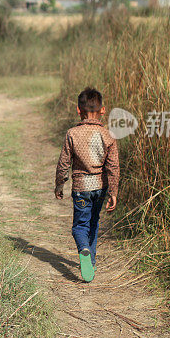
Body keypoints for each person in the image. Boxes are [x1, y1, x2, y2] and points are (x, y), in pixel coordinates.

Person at [54, 87, 119, 282]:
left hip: (81, 188)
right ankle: (90, 259)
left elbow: (64, 163)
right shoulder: (108, 135)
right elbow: (113, 166)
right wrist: (113, 192)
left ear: (78, 110)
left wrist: (59, 184)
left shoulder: (72, 134)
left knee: (79, 226)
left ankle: (83, 249)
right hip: (101, 188)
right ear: (103, 110)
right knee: (94, 222)